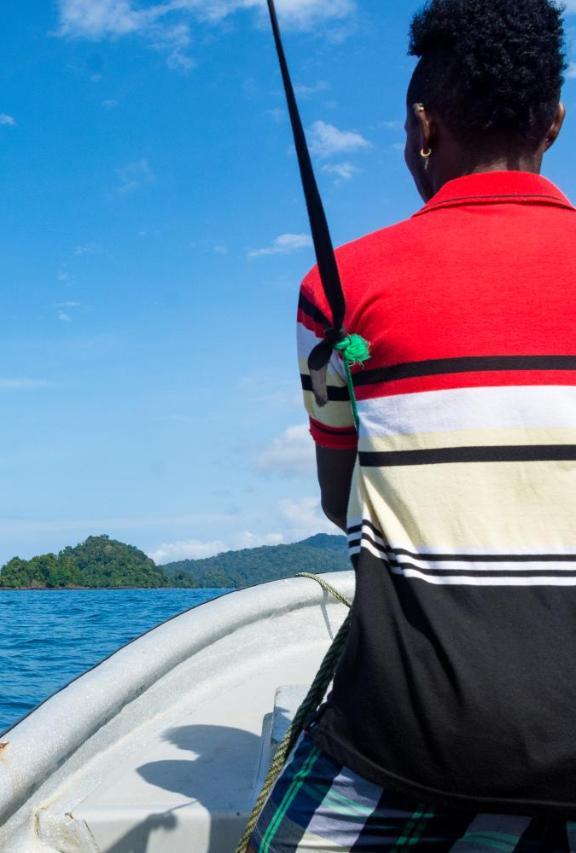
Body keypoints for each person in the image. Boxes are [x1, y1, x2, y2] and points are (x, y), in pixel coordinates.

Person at [251, 0, 576, 849]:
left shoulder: (338, 286)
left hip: (413, 745)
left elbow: (339, 499)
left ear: (423, 129)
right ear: (555, 125)